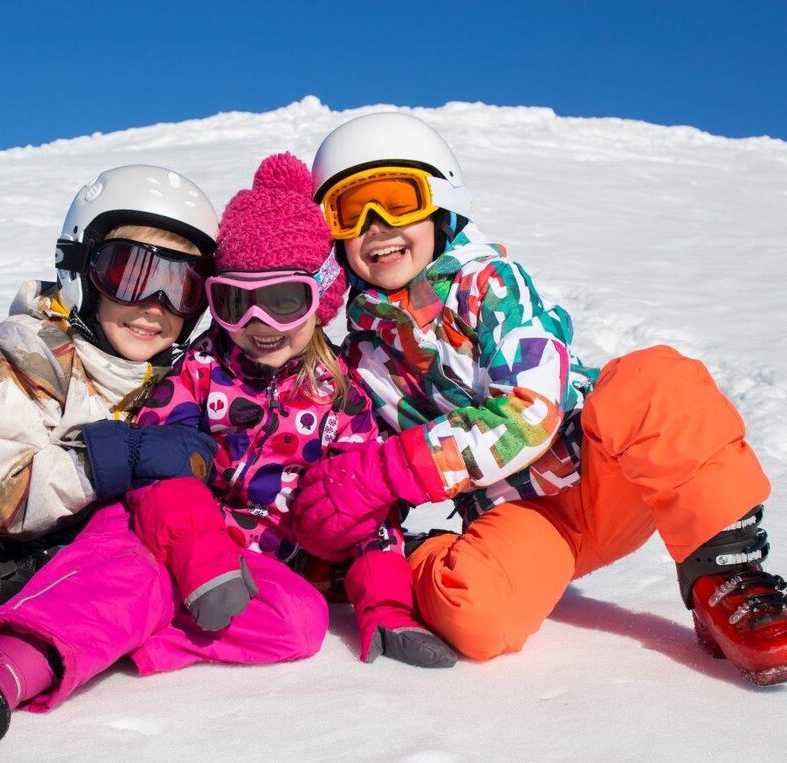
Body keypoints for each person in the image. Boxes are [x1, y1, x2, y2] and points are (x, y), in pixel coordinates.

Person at [0, 153, 455, 754]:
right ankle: (0, 671)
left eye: (285, 301)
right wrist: (197, 554)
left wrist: (387, 602)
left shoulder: (341, 398)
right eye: (235, 301)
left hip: (234, 563)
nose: (259, 322)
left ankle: (111, 629)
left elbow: (363, 510)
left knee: (301, 622)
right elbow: (156, 469)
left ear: (321, 299)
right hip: (131, 527)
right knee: (130, 568)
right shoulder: (189, 370)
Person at [292, 111, 787, 686]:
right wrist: (348, 518)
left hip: (608, 469)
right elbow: (357, 459)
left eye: (397, 200)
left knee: (656, 381)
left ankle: (724, 574)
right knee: (476, 615)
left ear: (440, 201)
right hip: (524, 519)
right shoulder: (365, 361)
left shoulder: (490, 285)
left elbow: (533, 410)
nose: (376, 226)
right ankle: (417, 560)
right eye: (352, 212)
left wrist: (399, 468)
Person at [0, 164, 219, 659]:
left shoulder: (170, 380)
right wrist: (122, 456)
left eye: (182, 287)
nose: (155, 305)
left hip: (5, 531)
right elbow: (7, 494)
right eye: (130, 275)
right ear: (80, 270)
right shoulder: (23, 351)